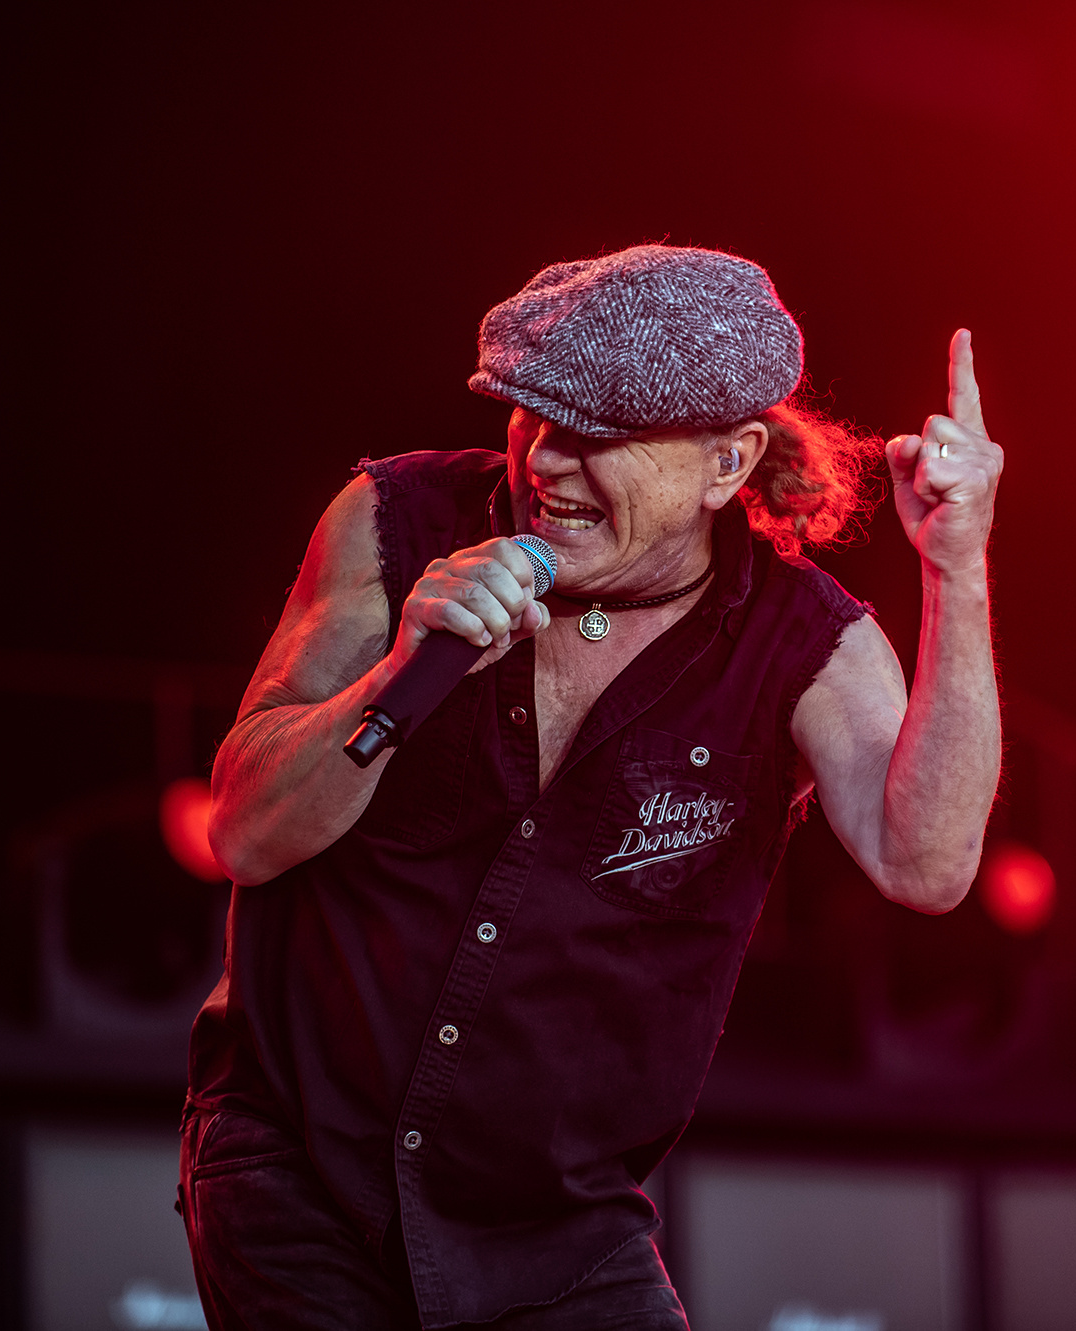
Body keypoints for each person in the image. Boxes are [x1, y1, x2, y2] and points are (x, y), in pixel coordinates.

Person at [180, 244, 1003, 1330]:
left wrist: (955, 566)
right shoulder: (395, 525)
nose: (547, 464)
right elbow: (243, 832)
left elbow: (927, 865)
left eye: (598, 436)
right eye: (533, 418)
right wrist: (397, 676)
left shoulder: (805, 642)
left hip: (558, 1229)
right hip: (300, 1168)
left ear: (728, 462)